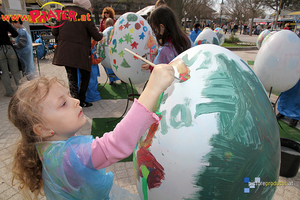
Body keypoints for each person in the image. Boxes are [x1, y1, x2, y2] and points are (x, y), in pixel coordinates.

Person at [9, 62, 174, 199]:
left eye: (69, 95)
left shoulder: (45, 146)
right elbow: (115, 144)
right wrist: (152, 89)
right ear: (43, 129)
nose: (75, 101)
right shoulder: (72, 155)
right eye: (63, 104)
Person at [52, 0, 103, 107]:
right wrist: (101, 33)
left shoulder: (63, 14)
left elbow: (54, 32)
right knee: (85, 76)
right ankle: (82, 99)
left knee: (72, 78)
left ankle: (75, 102)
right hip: (81, 53)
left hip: (66, 52)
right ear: (86, 6)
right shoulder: (85, 16)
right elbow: (97, 36)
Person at [141, 6, 192, 72]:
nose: (156, 30)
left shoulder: (165, 50)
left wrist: (151, 67)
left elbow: (160, 71)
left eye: (155, 28)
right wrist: (151, 66)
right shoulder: (186, 39)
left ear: (162, 26)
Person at [0, 7, 23, 97]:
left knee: (4, 72)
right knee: (15, 71)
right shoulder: (4, 21)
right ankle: (21, 90)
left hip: (0, 51)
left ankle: (9, 92)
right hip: (9, 48)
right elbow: (15, 33)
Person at [98, 17, 120, 85]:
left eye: (111, 25)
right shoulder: (104, 33)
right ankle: (111, 79)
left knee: (116, 66)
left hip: (113, 51)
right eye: (108, 25)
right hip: (106, 52)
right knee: (108, 66)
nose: (109, 26)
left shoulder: (115, 32)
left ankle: (120, 78)